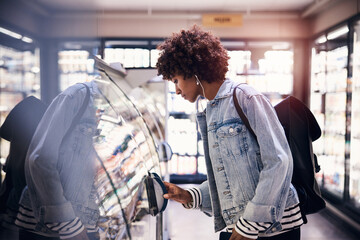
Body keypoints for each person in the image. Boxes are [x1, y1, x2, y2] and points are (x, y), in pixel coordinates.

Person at [156, 25, 303, 240]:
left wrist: (249, 224)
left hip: (272, 229)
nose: (176, 90)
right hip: (238, 227)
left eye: (176, 80)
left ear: (192, 71)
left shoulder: (246, 97)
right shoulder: (210, 110)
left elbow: (279, 161)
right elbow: (228, 178)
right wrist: (190, 195)